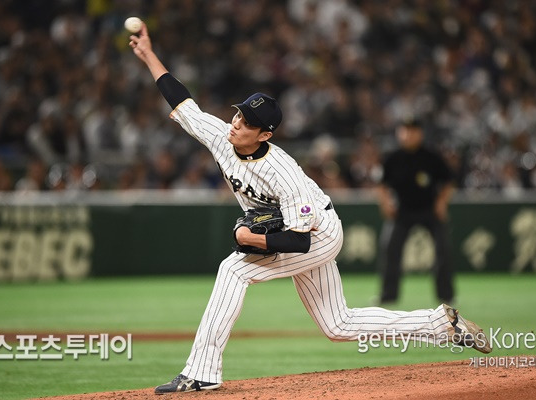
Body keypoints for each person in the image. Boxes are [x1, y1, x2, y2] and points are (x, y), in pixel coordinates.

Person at [129, 24, 490, 394]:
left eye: (248, 123)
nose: (237, 124)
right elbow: (181, 100)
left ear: (265, 135)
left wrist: (248, 237)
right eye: (238, 115)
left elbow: (300, 242)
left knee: (233, 269)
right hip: (296, 232)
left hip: (318, 234)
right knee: (338, 325)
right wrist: (148, 55)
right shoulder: (223, 137)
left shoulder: (283, 173)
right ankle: (440, 325)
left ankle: (202, 372)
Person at [376, 118, 456, 305]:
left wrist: (441, 203)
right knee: (390, 249)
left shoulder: (431, 157)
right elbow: (381, 185)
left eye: (412, 131)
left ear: (420, 134)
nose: (407, 135)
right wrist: (386, 203)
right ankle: (389, 295)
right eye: (404, 130)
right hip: (402, 212)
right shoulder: (393, 158)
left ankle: (446, 295)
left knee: (443, 250)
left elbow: (449, 181)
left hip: (429, 210)